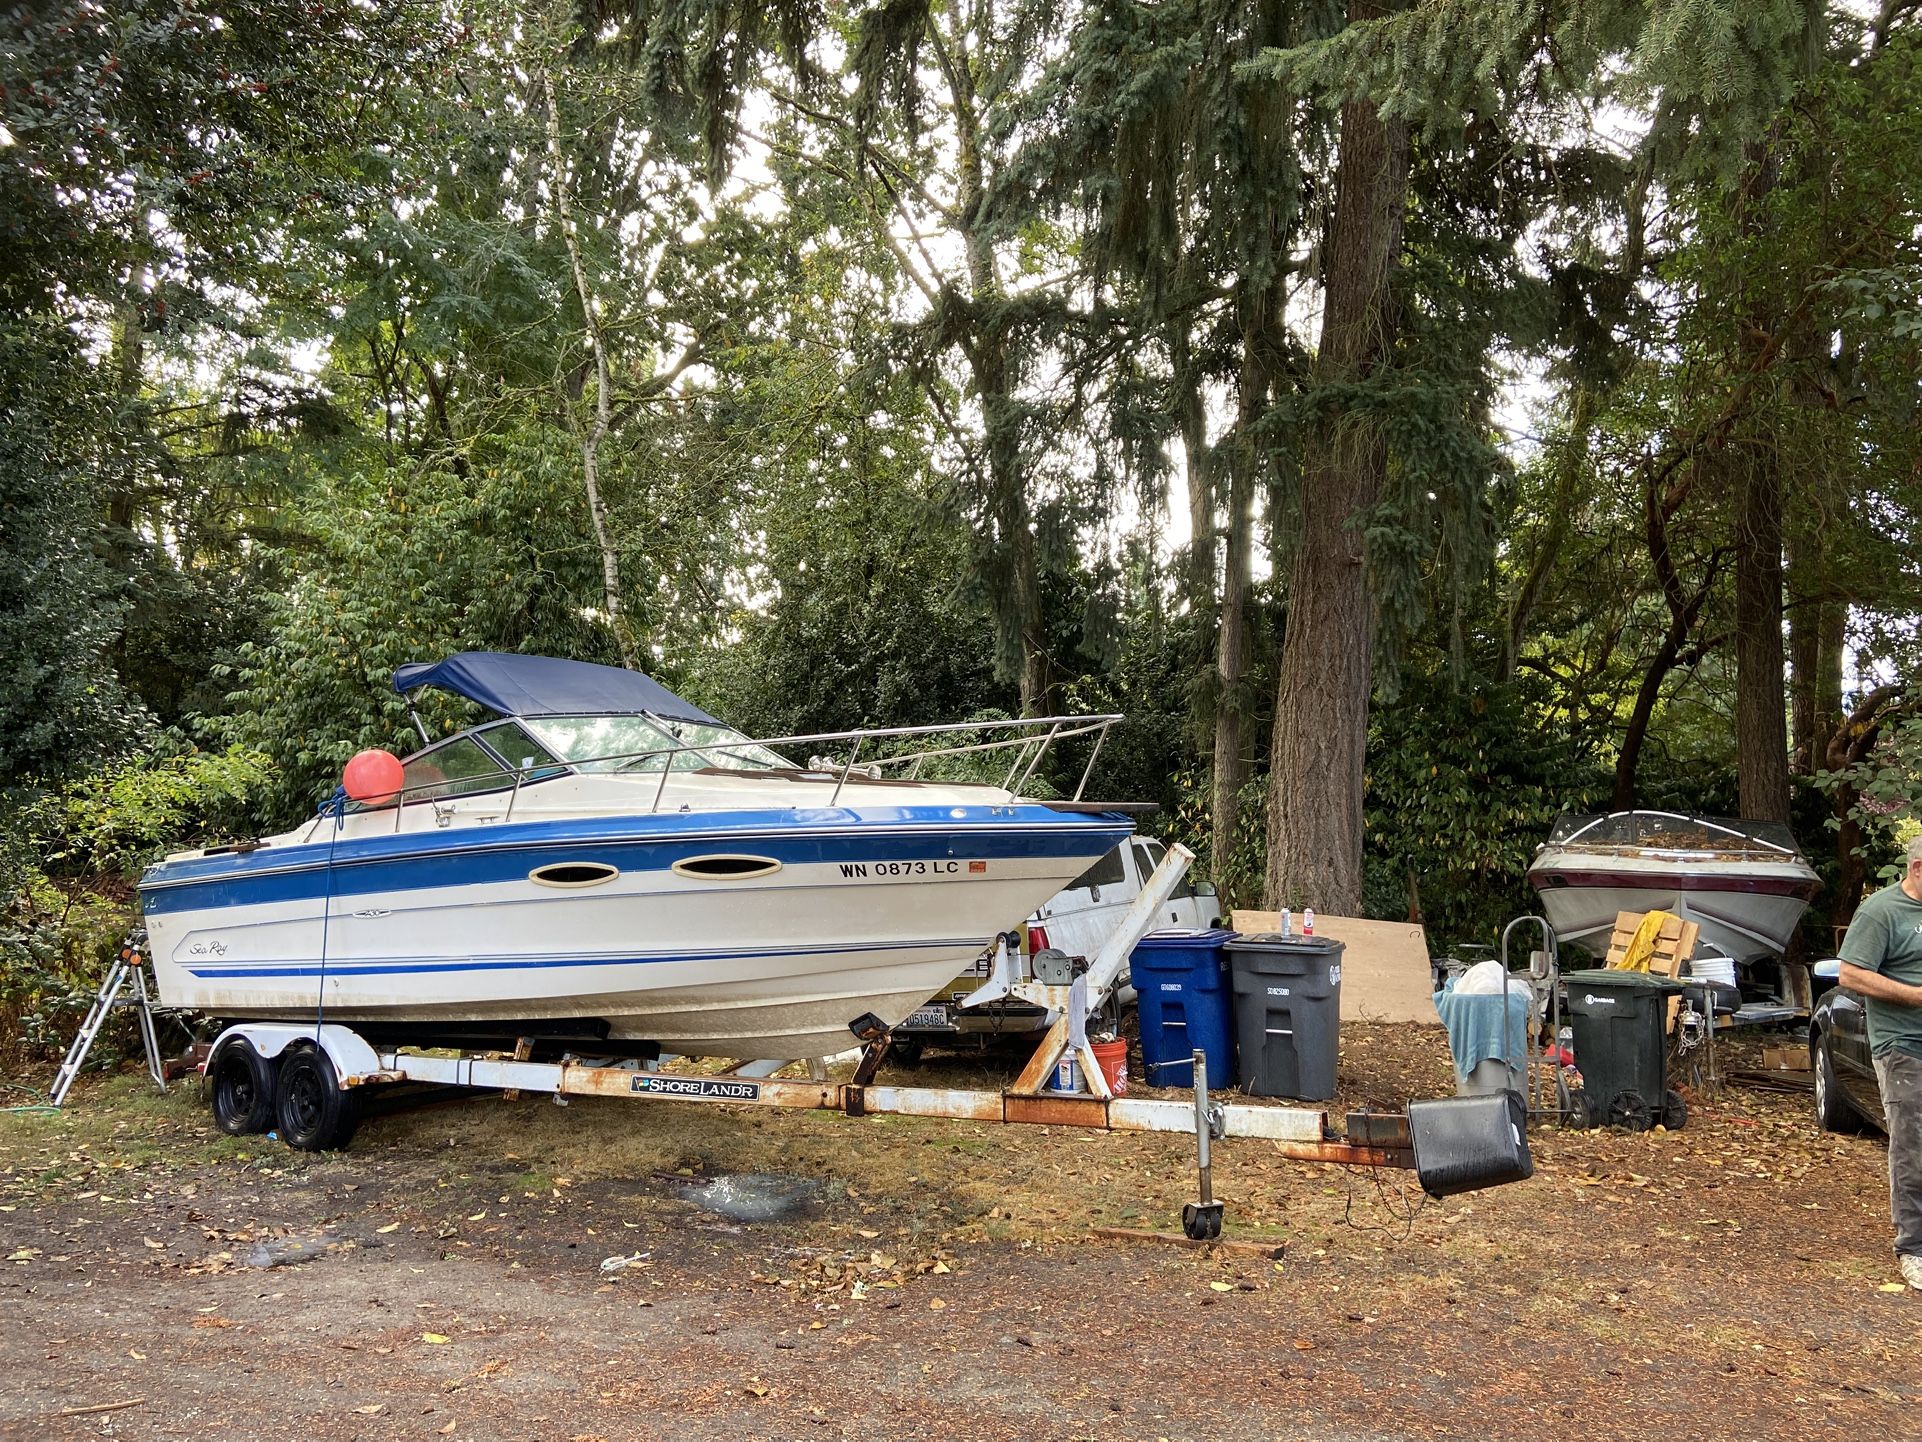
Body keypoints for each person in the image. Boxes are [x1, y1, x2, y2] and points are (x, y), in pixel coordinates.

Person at [1838, 833, 1922, 1292]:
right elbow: (1850, 974)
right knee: (1913, 1143)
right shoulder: (1881, 912)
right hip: (1904, 1042)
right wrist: (1914, 996)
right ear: (1917, 869)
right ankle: (1914, 1248)